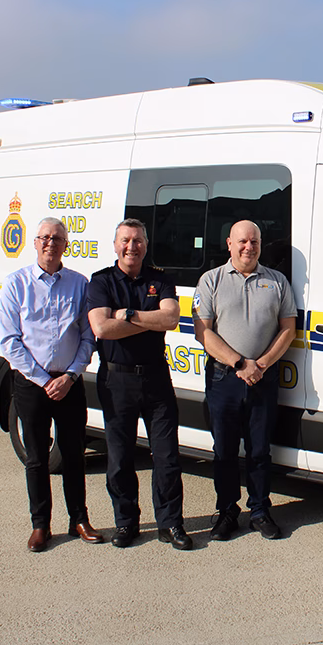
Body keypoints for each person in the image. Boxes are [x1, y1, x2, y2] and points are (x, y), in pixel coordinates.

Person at [0, 217, 102, 552]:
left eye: (57, 238)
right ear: (35, 243)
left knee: (74, 455)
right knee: (37, 459)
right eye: (44, 238)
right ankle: (41, 525)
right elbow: (10, 341)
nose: (50, 243)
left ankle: (79, 519)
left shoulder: (79, 283)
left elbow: (88, 336)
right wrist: (45, 381)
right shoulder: (16, 284)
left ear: (66, 245)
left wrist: (70, 376)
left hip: (69, 384)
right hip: (32, 384)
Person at [87, 218, 192, 550]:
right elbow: (102, 329)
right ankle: (126, 522)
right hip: (116, 378)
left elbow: (171, 319)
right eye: (125, 241)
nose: (131, 247)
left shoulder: (160, 279)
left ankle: (170, 524)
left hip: (155, 377)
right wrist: (149, 322)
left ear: (146, 245)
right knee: (119, 458)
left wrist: (128, 315)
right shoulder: (101, 281)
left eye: (138, 241)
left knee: (167, 457)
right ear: (115, 244)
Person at [193, 220, 297, 540]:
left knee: (259, 450)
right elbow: (203, 332)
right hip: (225, 378)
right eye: (242, 241)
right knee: (224, 450)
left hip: (263, 379)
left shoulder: (277, 281)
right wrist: (240, 363)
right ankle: (226, 511)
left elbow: (288, 329)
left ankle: (260, 510)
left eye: (254, 241)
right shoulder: (211, 281)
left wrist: (261, 365)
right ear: (229, 244)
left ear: (261, 244)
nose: (248, 247)